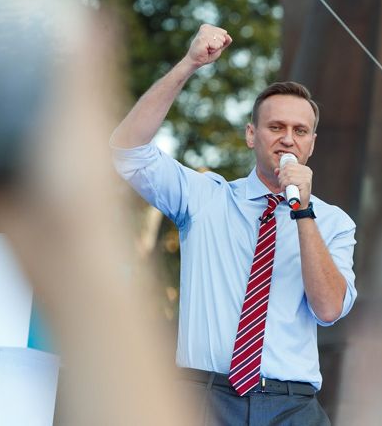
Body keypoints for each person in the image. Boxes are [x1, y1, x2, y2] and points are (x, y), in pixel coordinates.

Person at [111, 23, 357, 425]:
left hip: (292, 406)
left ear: (312, 143)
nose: (288, 139)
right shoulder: (204, 197)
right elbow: (128, 151)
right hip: (206, 400)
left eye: (300, 131)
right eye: (275, 127)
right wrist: (189, 64)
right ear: (251, 135)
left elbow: (329, 309)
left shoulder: (333, 222)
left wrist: (302, 212)